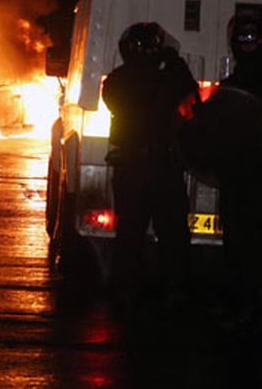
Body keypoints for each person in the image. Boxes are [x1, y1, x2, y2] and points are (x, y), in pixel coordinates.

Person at [181, 13, 262, 335]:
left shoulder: (253, 85)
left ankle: (252, 309)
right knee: (252, 248)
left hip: (253, 182)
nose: (247, 45)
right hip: (253, 182)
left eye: (250, 38)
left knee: (247, 249)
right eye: (244, 39)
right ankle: (257, 309)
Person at [102, 22, 200, 315]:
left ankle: (127, 291)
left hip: (132, 169)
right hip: (163, 169)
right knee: (172, 234)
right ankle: (174, 291)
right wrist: (172, 62)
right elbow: (188, 94)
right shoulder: (168, 77)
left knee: (130, 233)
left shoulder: (117, 80)